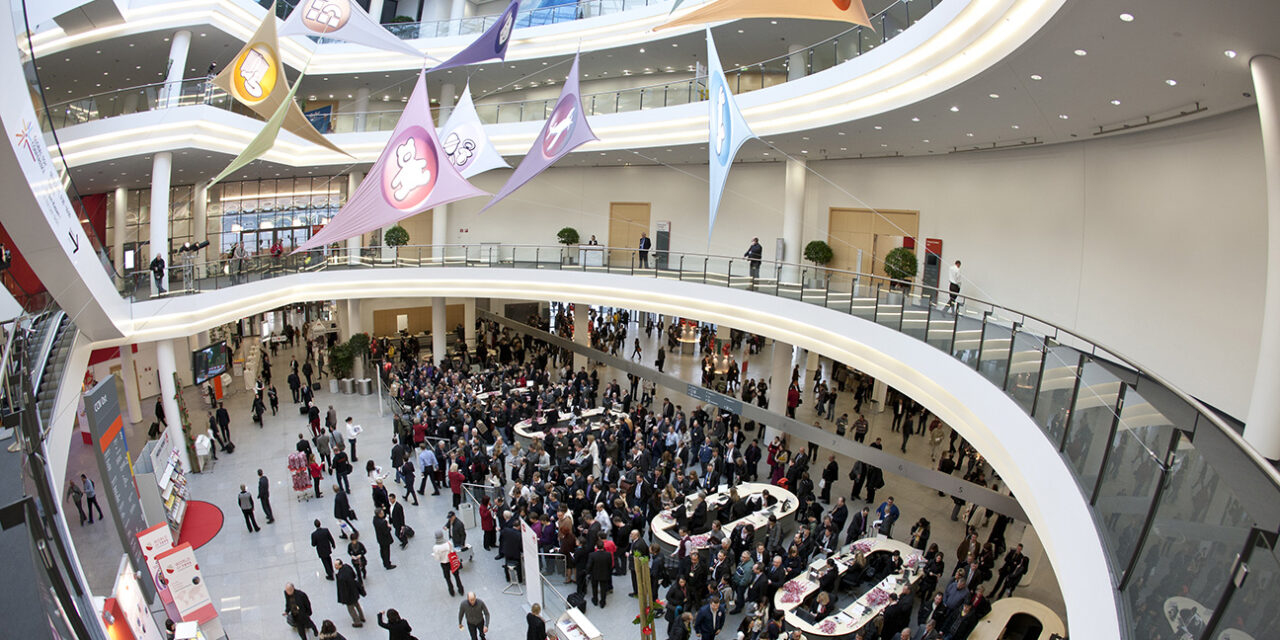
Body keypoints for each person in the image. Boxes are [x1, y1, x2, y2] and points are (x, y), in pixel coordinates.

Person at [334, 559, 366, 627]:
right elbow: (354, 575)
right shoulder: (347, 567)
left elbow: (343, 589)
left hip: (348, 596)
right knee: (357, 605)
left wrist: (344, 599)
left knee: (351, 609)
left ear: (340, 565)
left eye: (336, 565)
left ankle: (357, 622)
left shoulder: (341, 577)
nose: (335, 566)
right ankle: (362, 617)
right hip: (354, 591)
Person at [434, 529, 465, 596]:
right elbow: (452, 551)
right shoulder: (449, 543)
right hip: (451, 561)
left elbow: (437, 558)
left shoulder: (436, 547)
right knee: (457, 576)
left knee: (447, 578)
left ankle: (451, 591)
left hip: (444, 563)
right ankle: (461, 589)